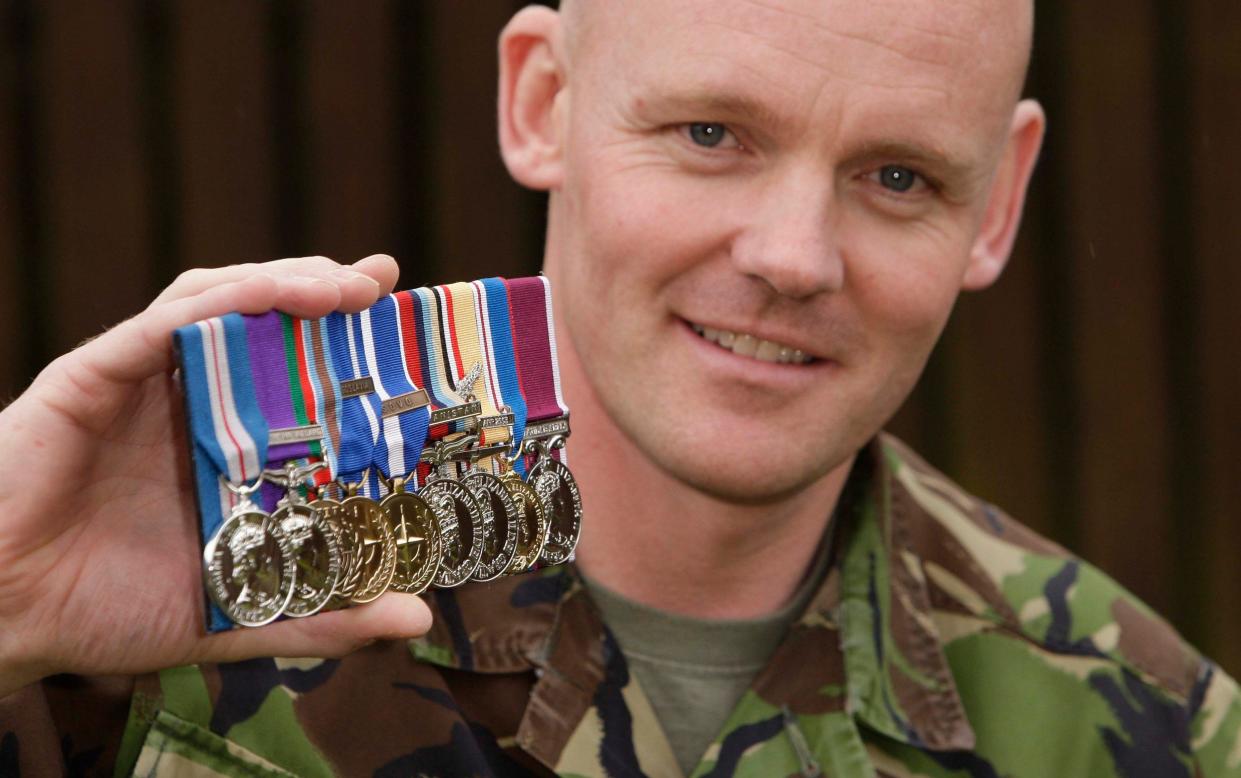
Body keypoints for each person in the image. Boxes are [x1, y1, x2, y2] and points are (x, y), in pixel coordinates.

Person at [0, 0, 1238, 775]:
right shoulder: (174, 587)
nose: (792, 257)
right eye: (711, 135)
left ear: (999, 204)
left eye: (899, 176)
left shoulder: (1145, 729)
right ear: (543, 101)